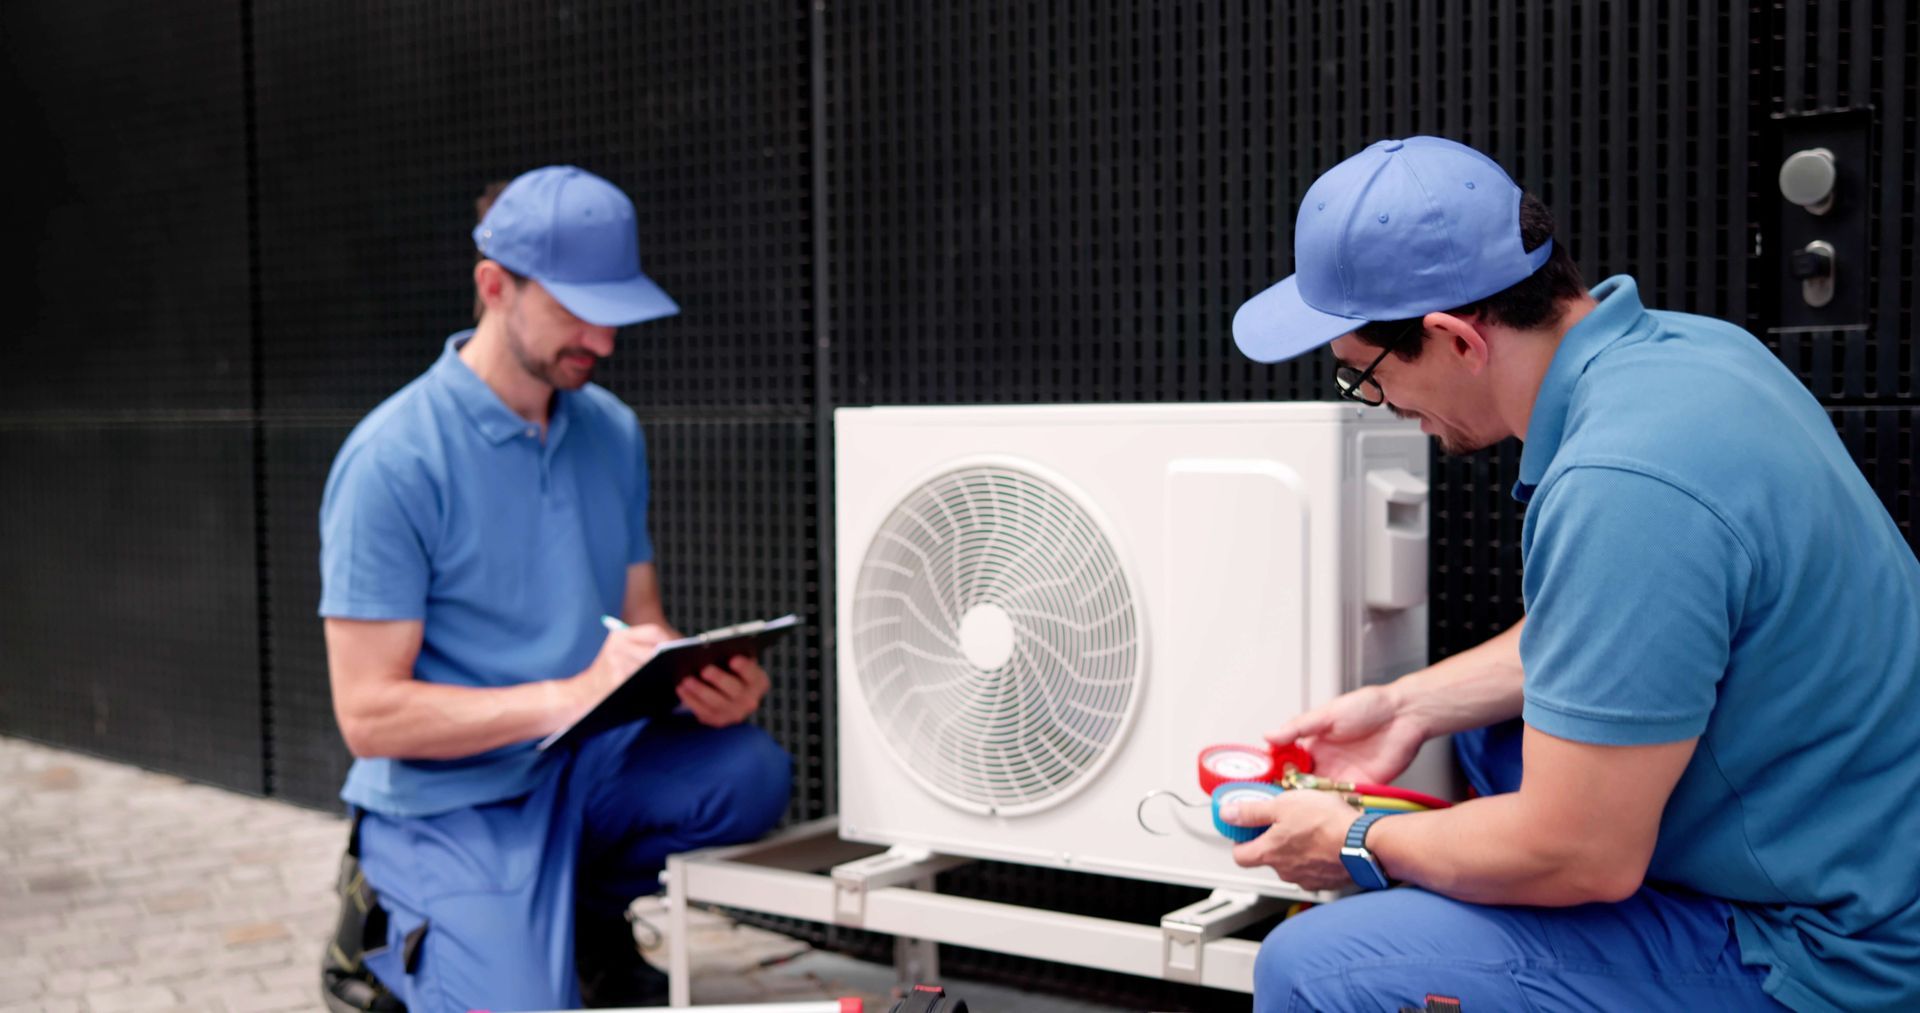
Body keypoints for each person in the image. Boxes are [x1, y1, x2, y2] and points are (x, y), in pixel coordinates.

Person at [1225, 137, 1920, 1012]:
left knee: (1317, 966)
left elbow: (1580, 855)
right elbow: (1615, 630)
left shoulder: (1620, 481)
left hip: (1838, 948)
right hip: (1869, 839)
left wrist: (1357, 838)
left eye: (1366, 376)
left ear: (1451, 338)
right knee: (1488, 740)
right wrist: (1406, 706)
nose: (1385, 405)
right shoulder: (1693, 355)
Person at [316, 165, 792, 1012]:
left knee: (750, 770)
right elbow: (369, 715)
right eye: (578, 310)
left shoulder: (611, 429)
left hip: (582, 767)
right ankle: (384, 927)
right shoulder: (392, 460)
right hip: (452, 798)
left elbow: (640, 622)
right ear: (493, 286)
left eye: (614, 313)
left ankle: (577, 917)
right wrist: (569, 696)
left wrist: (698, 683)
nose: (604, 342)